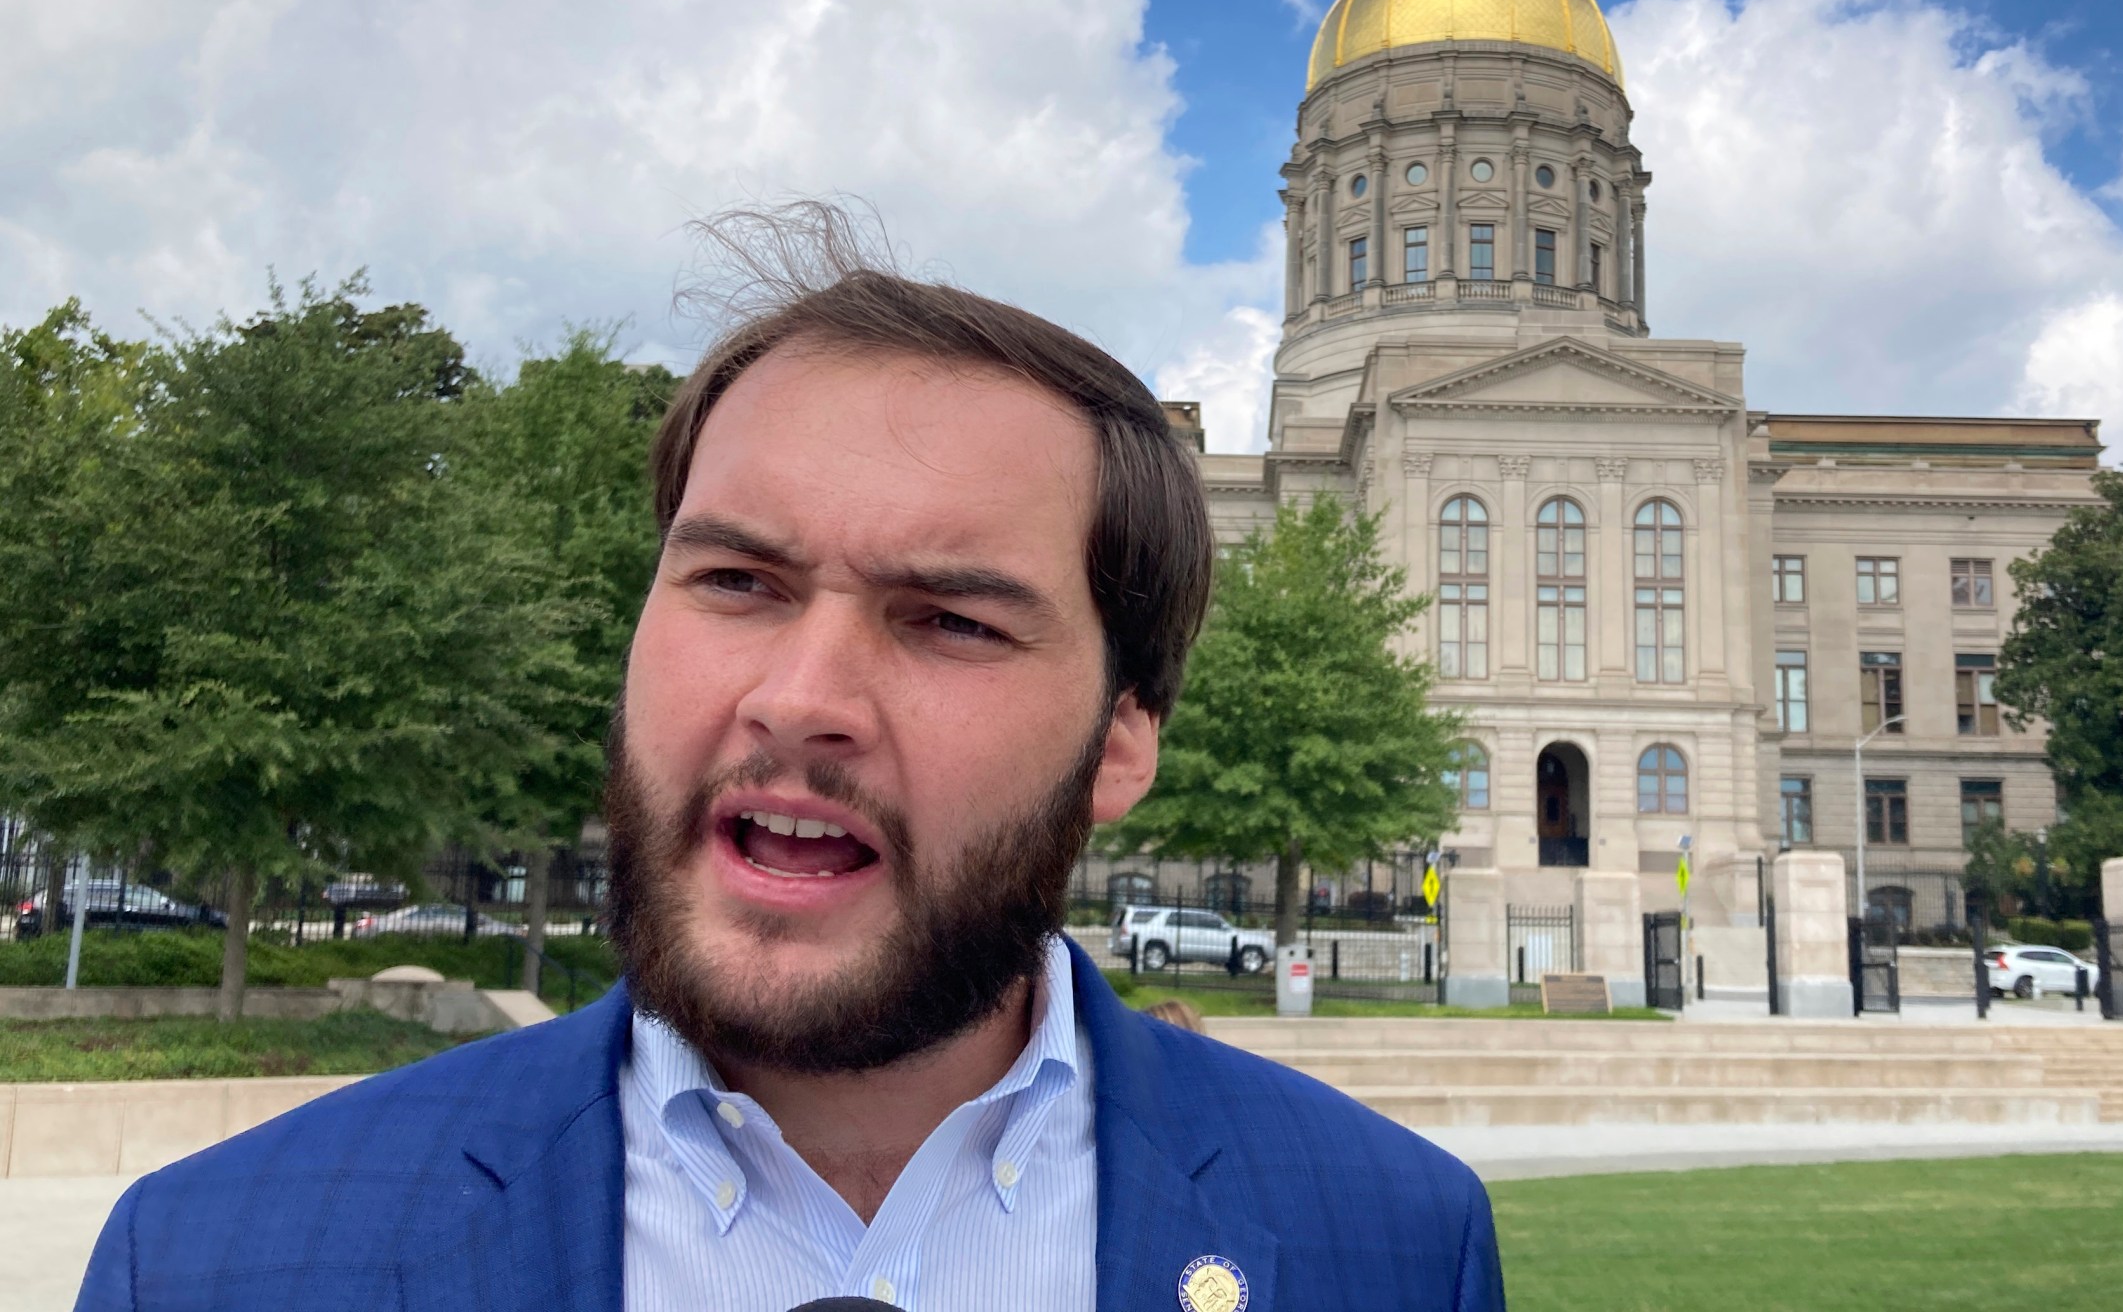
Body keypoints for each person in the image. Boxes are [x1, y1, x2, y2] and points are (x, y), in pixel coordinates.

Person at [76, 205, 1503, 1312]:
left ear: (1122, 739)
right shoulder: (213, 1263)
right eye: (738, 584)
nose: (799, 697)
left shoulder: (1386, 1242)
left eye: (945, 619)